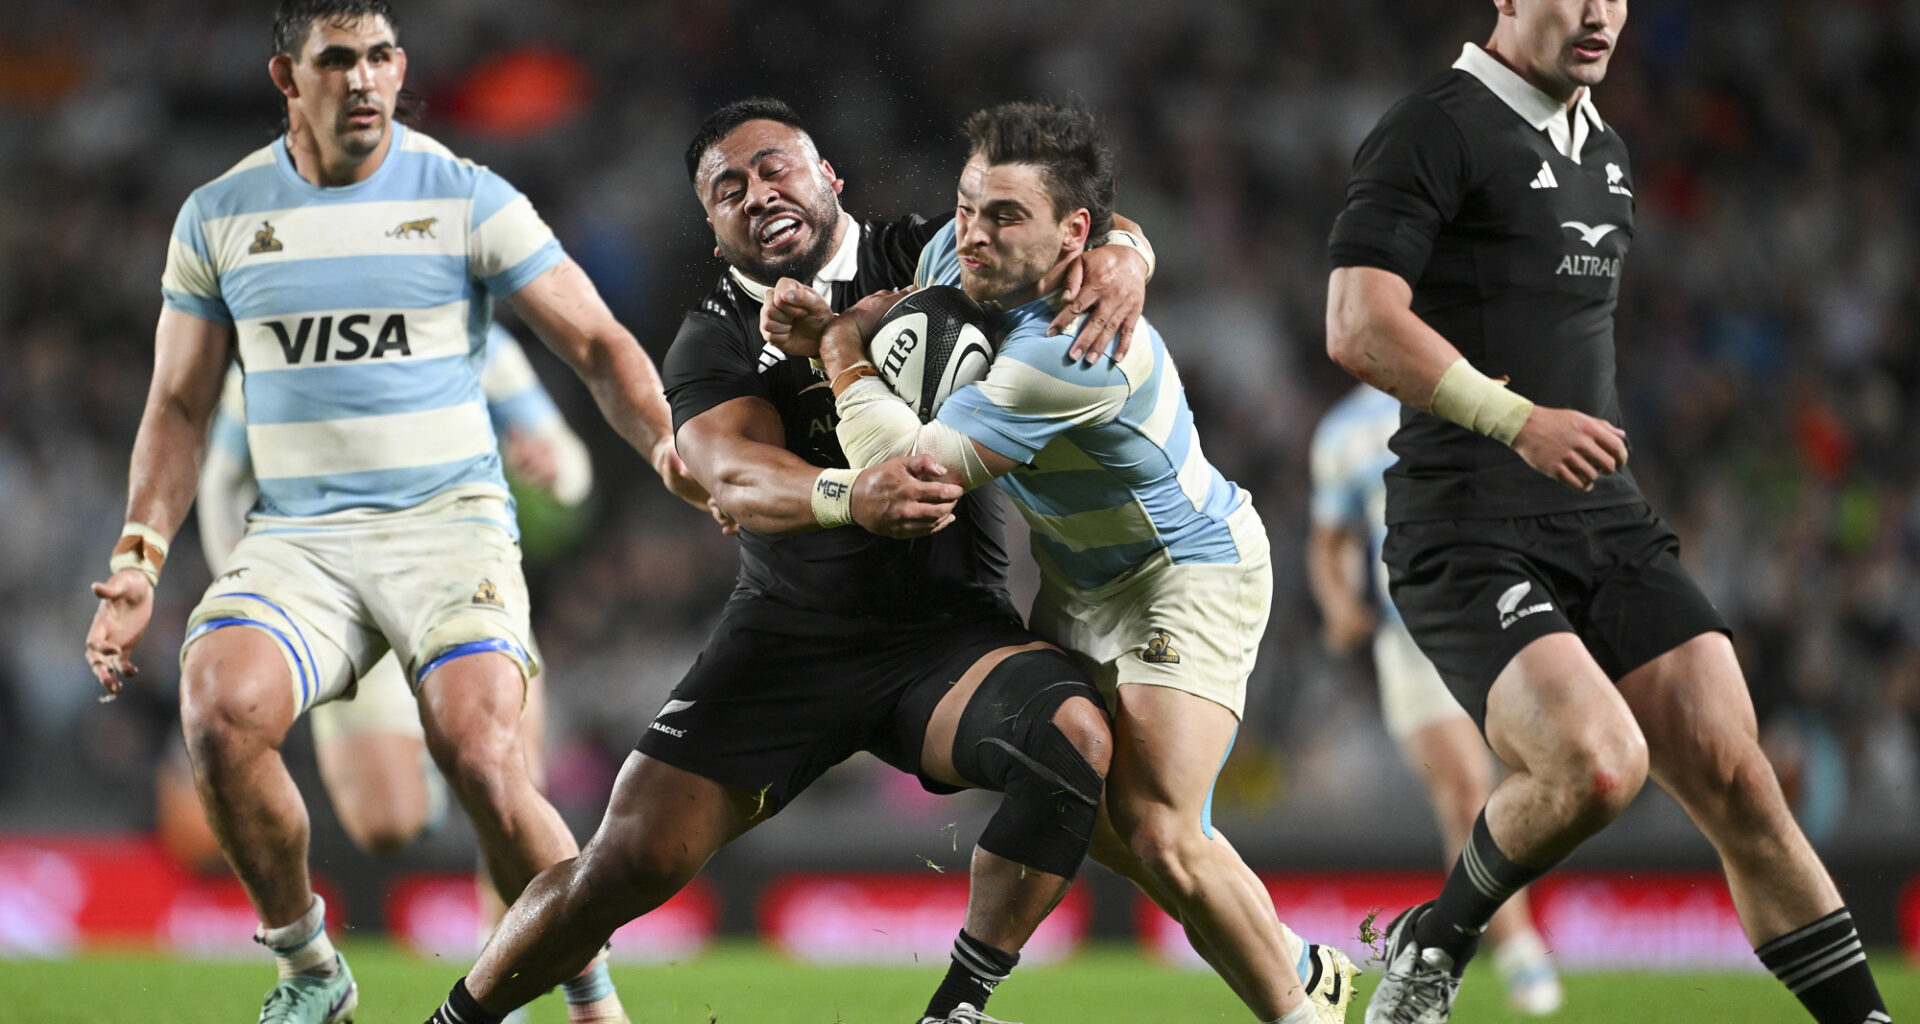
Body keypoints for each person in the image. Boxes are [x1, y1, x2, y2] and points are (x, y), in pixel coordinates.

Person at [420, 96, 1152, 1024]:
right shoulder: (711, 338)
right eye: (728, 187)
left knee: (1072, 740)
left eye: (775, 167)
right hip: (788, 642)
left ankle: (958, 1008)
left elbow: (1060, 219)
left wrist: (1128, 252)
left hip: (947, 637)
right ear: (712, 222)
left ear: (829, 178)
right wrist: (852, 495)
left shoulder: (928, 255)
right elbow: (731, 475)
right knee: (626, 862)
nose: (756, 191)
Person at [81, 4, 704, 1023]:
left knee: (484, 755)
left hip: (446, 524)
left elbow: (595, 338)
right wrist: (139, 557)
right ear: (287, 75)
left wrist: (665, 444)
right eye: (337, 60)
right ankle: (309, 969)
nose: (364, 79)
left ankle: (591, 995)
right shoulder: (221, 214)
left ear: (401, 66)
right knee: (217, 709)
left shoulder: (464, 195)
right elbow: (181, 402)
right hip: (301, 540)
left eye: (379, 57)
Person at [1324, 3, 1895, 1023]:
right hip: (1464, 521)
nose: (1597, 14)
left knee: (1744, 782)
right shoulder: (1434, 126)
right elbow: (1358, 322)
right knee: (1599, 765)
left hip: (1603, 516)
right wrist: (1516, 419)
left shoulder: (1608, 151)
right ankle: (1440, 933)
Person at [768, 98, 1358, 1024]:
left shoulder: (1075, 347)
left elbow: (907, 477)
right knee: (1088, 797)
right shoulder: (956, 260)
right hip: (1082, 578)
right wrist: (866, 315)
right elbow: (915, 310)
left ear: (1071, 234)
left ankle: (1301, 1012)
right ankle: (1294, 960)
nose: (971, 235)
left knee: (1162, 828)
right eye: (967, 206)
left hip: (1185, 572)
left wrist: (842, 353)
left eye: (1005, 217)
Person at [173, 326, 588, 924]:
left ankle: (509, 992)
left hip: (465, 583)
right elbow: (220, 483)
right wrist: (259, 607)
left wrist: (556, 472)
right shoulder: (275, 345)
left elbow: (571, 466)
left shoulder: (475, 338)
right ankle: (440, 759)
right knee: (387, 825)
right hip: (346, 602)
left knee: (511, 788)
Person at [1306, 383, 1562, 1016]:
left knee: (1533, 777)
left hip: (1488, 615)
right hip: (1408, 637)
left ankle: (1455, 943)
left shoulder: (1475, 391)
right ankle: (1513, 947)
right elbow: (1328, 540)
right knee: (1466, 792)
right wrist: (1340, 604)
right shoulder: (1344, 430)